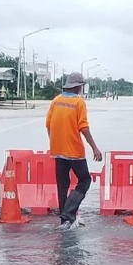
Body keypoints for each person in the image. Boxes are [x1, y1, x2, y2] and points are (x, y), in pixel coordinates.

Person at [46, 72, 103, 229]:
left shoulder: (56, 101)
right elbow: (83, 127)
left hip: (57, 150)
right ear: (78, 87)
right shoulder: (79, 102)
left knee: (62, 185)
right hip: (74, 151)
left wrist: (54, 143)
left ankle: (65, 221)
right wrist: (94, 147)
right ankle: (69, 213)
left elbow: (48, 124)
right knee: (84, 180)